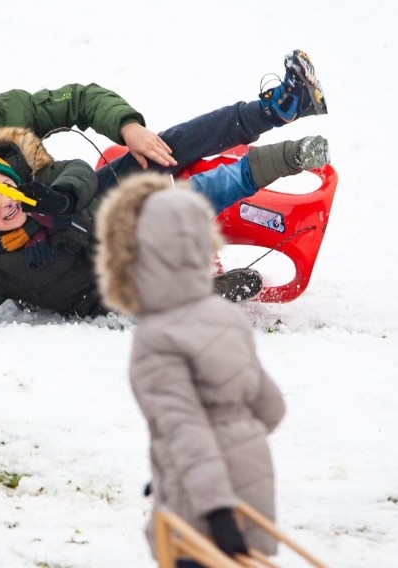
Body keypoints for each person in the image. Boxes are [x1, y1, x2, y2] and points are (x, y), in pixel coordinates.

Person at [0, 50, 328, 301]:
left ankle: (275, 109)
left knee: (163, 148)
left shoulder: (10, 111)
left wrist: (128, 128)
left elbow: (81, 99)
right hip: (41, 260)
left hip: (74, 202)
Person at [0, 124, 329, 333]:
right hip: (107, 294)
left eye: (4, 190)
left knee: (195, 196)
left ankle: (287, 156)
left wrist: (65, 198)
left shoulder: (41, 192)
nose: (5, 205)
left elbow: (78, 170)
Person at [93, 172, 287, 565]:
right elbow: (271, 407)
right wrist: (235, 440)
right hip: (253, 487)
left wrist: (215, 506)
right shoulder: (225, 317)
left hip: (207, 510)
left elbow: (185, 429)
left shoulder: (157, 338)